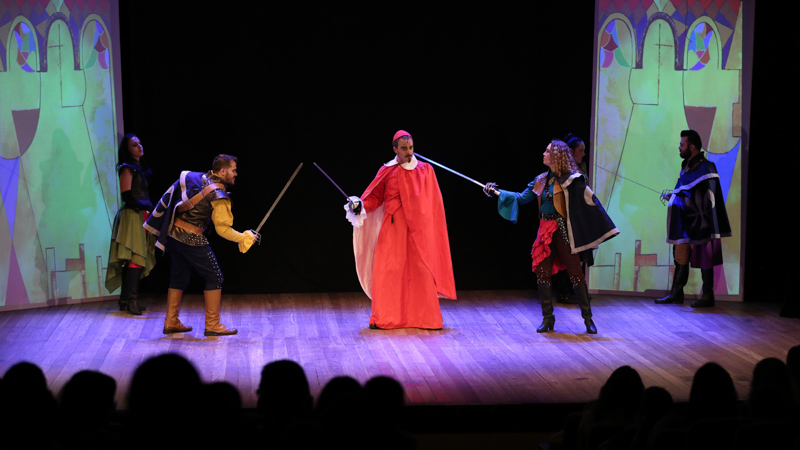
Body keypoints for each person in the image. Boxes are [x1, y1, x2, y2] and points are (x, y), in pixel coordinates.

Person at [485, 139, 618, 334]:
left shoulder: (572, 180)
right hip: (545, 231)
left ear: (556, 156)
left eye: (547, 151)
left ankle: (588, 319)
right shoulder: (540, 180)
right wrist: (496, 192)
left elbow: (589, 203)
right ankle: (548, 319)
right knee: (543, 273)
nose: (544, 154)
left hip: (563, 231)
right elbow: (521, 198)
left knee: (576, 274)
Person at [345, 130, 456, 330]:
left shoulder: (425, 170)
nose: (409, 152)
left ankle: (426, 318)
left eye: (411, 148)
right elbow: (374, 197)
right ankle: (385, 317)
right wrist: (360, 205)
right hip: (393, 228)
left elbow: (433, 203)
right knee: (388, 271)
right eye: (404, 148)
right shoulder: (387, 171)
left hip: (418, 231)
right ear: (395, 149)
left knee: (421, 271)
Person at [144, 154, 257, 336]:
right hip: (191, 239)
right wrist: (243, 238)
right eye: (233, 170)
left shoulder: (196, 178)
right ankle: (212, 324)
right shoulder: (218, 195)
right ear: (223, 171)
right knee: (214, 276)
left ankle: (171, 321)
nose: (236, 174)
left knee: (179, 277)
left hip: (174, 236)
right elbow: (222, 229)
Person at [655, 130, 731, 308]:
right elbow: (686, 192)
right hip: (685, 222)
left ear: (692, 147)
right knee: (680, 255)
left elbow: (707, 197)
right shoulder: (686, 168)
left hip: (701, 223)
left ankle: (708, 296)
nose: (679, 147)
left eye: (682, 144)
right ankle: (676, 293)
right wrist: (674, 197)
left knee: (705, 257)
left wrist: (684, 199)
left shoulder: (707, 168)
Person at [105, 133, 156, 315]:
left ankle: (126, 299)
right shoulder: (126, 168)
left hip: (141, 214)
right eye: (134, 144)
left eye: (140, 143)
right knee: (135, 257)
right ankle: (130, 300)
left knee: (136, 258)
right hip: (132, 215)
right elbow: (126, 196)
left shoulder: (141, 168)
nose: (139, 146)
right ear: (127, 149)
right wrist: (148, 206)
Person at [553, 133, 590, 305]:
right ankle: (563, 292)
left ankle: (577, 292)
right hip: (566, 219)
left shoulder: (580, 168)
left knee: (577, 257)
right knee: (565, 257)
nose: (583, 154)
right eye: (580, 150)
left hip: (579, 218)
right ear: (570, 151)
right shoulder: (565, 172)